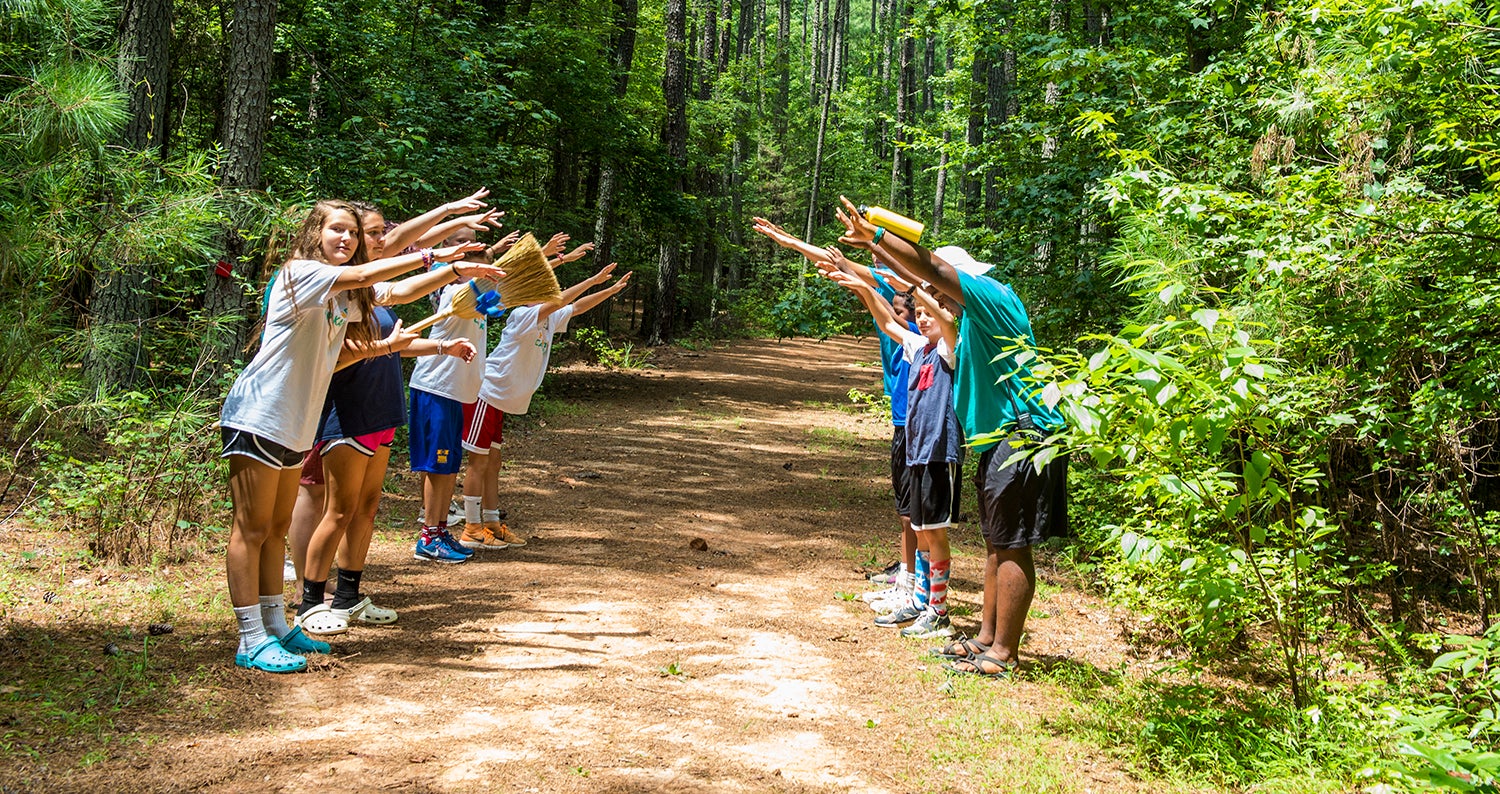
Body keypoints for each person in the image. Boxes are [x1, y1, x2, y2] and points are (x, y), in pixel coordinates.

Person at [218, 199, 483, 673]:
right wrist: (436, 256)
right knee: (252, 529)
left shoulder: (340, 297)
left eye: (353, 234)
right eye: (337, 230)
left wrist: (389, 344)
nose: (348, 240)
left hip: (297, 420)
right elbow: (367, 277)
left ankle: (277, 625)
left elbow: (377, 312)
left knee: (276, 529)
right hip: (260, 412)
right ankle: (249, 637)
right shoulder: (303, 273)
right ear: (314, 233)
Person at [835, 196, 1069, 678]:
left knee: (1013, 545)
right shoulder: (972, 318)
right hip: (998, 437)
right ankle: (985, 638)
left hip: (1024, 433)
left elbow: (933, 271)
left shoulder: (987, 295)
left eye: (944, 293)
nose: (938, 301)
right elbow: (916, 284)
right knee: (996, 541)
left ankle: (1003, 654)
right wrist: (876, 258)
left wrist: (879, 236)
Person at [290, 199, 503, 636]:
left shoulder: (365, 291)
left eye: (368, 234)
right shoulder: (332, 284)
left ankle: (348, 596)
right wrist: (443, 252)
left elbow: (400, 293)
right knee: (338, 508)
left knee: (365, 509)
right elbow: (349, 348)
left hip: (381, 407)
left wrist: (457, 272)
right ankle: (309, 603)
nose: (372, 242)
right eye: (367, 234)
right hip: (346, 409)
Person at [750, 218, 920, 610]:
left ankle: (915, 580)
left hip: (918, 416)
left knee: (915, 508)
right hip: (900, 415)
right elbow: (838, 262)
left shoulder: (913, 294)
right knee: (905, 506)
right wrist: (789, 240)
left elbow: (852, 267)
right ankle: (909, 571)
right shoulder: (884, 287)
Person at [824, 255, 962, 641]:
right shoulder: (918, 347)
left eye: (927, 313)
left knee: (935, 532)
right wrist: (863, 288)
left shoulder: (952, 350)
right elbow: (887, 322)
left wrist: (924, 289)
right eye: (917, 313)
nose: (921, 319)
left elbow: (949, 323)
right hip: (917, 452)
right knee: (919, 528)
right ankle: (921, 601)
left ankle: (939, 611)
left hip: (939, 453)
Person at [458, 263, 633, 548]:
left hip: (501, 400)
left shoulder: (548, 319)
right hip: (486, 394)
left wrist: (610, 290)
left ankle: (491, 522)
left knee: (494, 462)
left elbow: (575, 308)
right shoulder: (521, 315)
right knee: (479, 462)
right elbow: (561, 301)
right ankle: (471, 528)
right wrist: (592, 278)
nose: (546, 294)